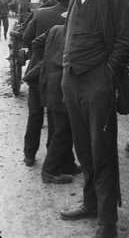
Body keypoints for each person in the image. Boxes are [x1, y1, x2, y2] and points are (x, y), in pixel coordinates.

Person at [60, 0, 129, 238]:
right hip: (72, 81)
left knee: (102, 149)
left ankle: (107, 222)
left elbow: (127, 39)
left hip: (98, 82)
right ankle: (90, 204)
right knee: (83, 148)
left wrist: (107, 72)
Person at [22, 0, 76, 167]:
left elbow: (27, 37)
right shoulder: (73, 17)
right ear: (72, 1)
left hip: (38, 70)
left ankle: (29, 154)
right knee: (57, 117)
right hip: (59, 72)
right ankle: (54, 157)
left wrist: (43, 55)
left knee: (35, 114)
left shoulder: (40, 13)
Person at [32, 14, 82, 184]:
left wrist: (47, 61)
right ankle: (49, 171)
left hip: (49, 84)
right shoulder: (76, 34)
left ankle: (68, 164)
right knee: (64, 131)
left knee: (60, 127)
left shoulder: (55, 29)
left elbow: (36, 43)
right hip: (62, 87)